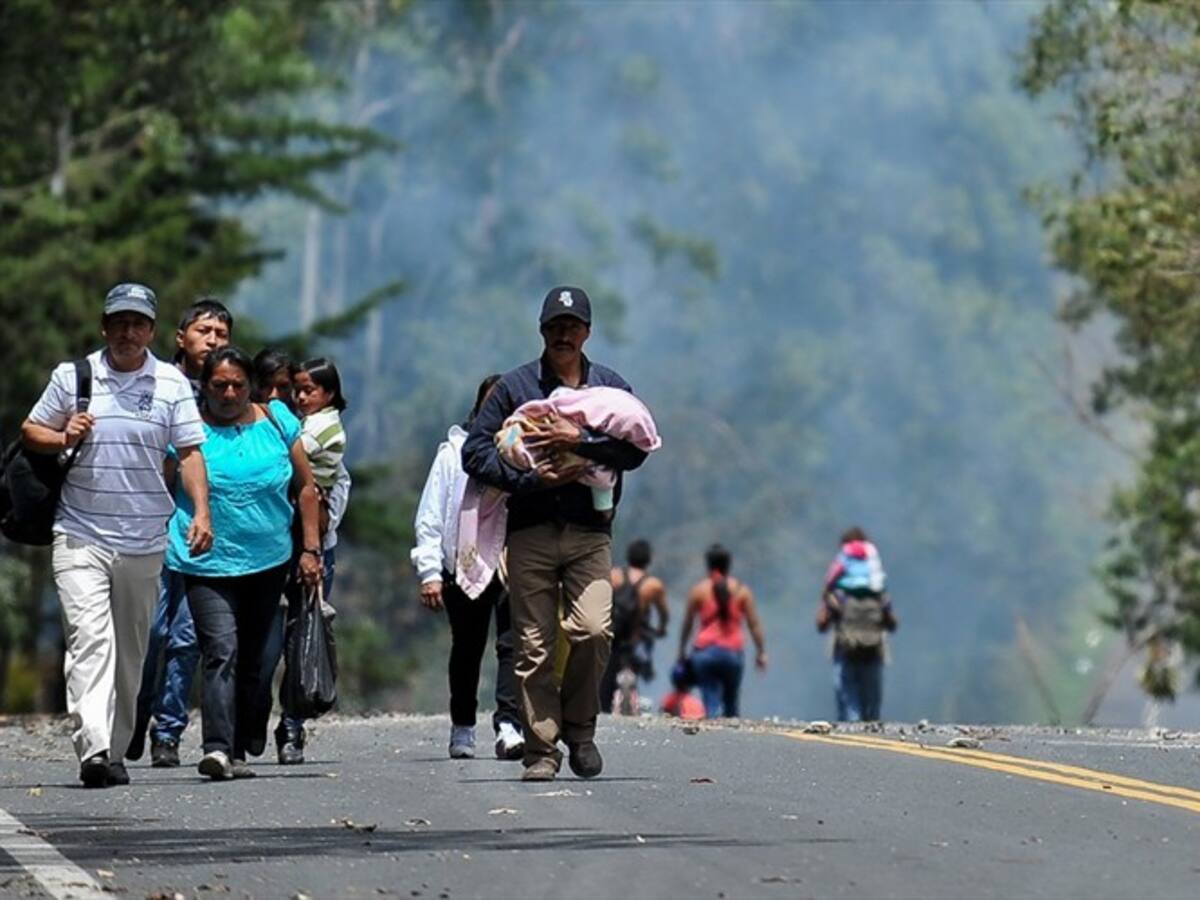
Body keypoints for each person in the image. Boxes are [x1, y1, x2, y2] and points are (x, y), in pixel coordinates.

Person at [21, 283, 212, 787]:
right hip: (80, 532)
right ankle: (94, 749)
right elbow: (31, 431)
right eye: (119, 322)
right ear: (105, 327)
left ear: (152, 331)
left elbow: (190, 452)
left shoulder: (171, 383)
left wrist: (201, 513)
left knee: (132, 650)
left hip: (145, 538)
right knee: (90, 639)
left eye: (138, 324)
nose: (128, 332)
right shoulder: (74, 376)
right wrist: (64, 436)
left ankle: (119, 745)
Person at [462, 286, 652, 782]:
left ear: (587, 332)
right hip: (529, 530)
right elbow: (474, 451)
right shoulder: (514, 387)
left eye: (572, 326)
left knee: (592, 630)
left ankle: (581, 729)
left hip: (590, 532)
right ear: (542, 330)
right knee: (533, 646)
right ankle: (542, 749)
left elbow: (636, 450)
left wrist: (582, 443)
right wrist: (529, 479)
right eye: (554, 326)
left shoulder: (612, 388)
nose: (563, 335)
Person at [165, 346, 322, 780]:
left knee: (254, 660)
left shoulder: (277, 421)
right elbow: (161, 484)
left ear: (250, 385)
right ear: (205, 386)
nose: (229, 393)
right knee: (221, 650)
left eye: (237, 384)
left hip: (268, 561)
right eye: (219, 385)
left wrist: (310, 550)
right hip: (205, 562)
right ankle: (216, 747)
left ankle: (239, 743)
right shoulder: (187, 429)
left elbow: (307, 489)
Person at [129, 298, 233, 768]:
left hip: (200, 528)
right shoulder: (153, 381)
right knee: (149, 631)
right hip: (147, 524)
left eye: (221, 333)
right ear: (180, 336)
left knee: (188, 636)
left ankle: (167, 732)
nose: (212, 340)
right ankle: (130, 715)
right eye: (204, 330)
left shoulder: (228, 390)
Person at [411, 374, 525, 761]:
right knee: (468, 647)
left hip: (513, 560)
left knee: (514, 644)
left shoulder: (525, 452)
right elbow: (431, 515)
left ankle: (509, 724)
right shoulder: (454, 453)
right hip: (465, 561)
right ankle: (462, 725)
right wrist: (429, 571)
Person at [267, 355, 352, 764]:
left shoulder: (324, 429)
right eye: (294, 390)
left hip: (309, 540)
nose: (300, 398)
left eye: (307, 391)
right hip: (281, 538)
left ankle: (292, 726)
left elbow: (290, 460)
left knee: (302, 633)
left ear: (329, 394)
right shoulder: (307, 423)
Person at [816, 527, 897, 722]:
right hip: (874, 650)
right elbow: (892, 624)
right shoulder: (878, 592)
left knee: (849, 703)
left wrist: (827, 599)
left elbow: (821, 624)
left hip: (845, 650)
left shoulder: (840, 593)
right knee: (872, 704)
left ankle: (853, 736)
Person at [678, 544, 767, 718]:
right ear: (729, 565)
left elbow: (687, 624)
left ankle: (714, 726)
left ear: (708, 564)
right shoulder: (742, 590)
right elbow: (754, 624)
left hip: (704, 654)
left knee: (710, 699)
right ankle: (731, 732)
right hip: (732, 654)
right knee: (731, 701)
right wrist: (761, 652)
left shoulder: (699, 590)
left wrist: (681, 651)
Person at [600, 538, 668, 714]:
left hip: (613, 632)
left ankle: (604, 709)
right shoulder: (653, 585)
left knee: (607, 675)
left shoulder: (614, 575)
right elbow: (663, 613)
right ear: (648, 559)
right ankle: (632, 696)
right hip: (638, 635)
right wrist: (661, 628)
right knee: (637, 665)